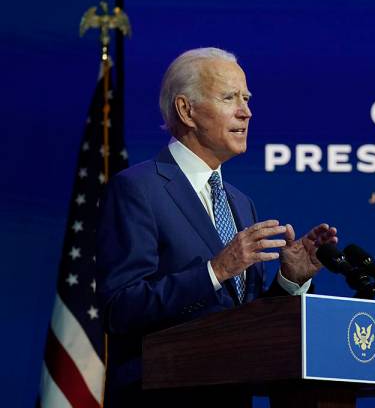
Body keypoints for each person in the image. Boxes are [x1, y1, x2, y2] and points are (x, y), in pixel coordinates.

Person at [97, 47, 337, 406]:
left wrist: (290, 280)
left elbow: (243, 324)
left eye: (246, 98)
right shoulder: (138, 189)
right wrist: (215, 270)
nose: (246, 111)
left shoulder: (240, 202)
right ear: (186, 110)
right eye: (229, 98)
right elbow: (121, 309)